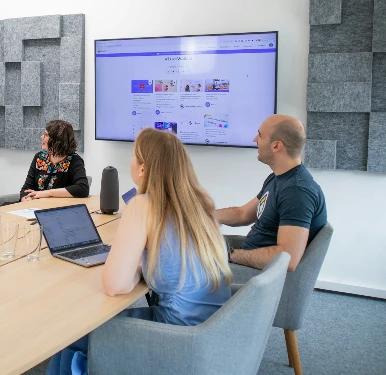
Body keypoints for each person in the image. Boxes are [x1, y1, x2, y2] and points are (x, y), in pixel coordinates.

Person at [46, 128, 232, 375]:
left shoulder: (143, 205)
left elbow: (115, 286)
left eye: (134, 155)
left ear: (143, 168)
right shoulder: (200, 205)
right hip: (215, 331)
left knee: (73, 333)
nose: (130, 161)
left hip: (176, 339)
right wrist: (142, 265)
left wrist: (135, 269)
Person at [216, 115, 327, 272]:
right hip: (247, 258)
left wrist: (227, 255)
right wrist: (204, 215)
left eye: (260, 135)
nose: (255, 139)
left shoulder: (297, 191)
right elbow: (242, 214)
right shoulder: (279, 179)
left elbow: (287, 258)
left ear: (276, 146)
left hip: (257, 275)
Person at [20, 120, 89, 201]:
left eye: (46, 135)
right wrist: (26, 199)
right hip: (33, 206)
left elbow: (82, 188)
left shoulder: (75, 160)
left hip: (56, 210)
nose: (42, 137)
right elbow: (26, 189)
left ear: (57, 141)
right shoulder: (39, 157)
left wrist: (47, 193)